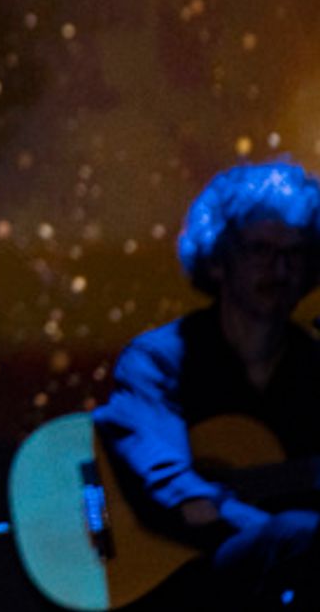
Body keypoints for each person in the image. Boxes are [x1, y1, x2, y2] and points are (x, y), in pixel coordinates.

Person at [94, 160, 320, 611]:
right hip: (176, 580)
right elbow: (181, 494)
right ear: (218, 261)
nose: (279, 270)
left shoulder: (311, 366)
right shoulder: (158, 360)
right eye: (260, 250)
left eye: (294, 254)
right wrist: (271, 527)